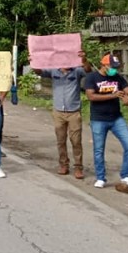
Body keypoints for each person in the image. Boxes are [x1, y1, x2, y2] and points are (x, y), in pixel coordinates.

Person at [34, 50, 93, 179]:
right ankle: (63, 164)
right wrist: (33, 60)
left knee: (76, 140)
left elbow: (88, 70)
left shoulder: (77, 71)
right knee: (60, 140)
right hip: (58, 112)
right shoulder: (53, 71)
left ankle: (78, 167)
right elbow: (38, 71)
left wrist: (84, 59)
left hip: (73, 112)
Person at [84, 53, 128, 190]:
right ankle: (100, 178)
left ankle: (125, 175)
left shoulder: (117, 77)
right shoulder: (92, 78)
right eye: (112, 67)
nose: (114, 69)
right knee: (99, 150)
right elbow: (91, 96)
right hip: (98, 119)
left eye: (116, 67)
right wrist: (113, 95)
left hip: (116, 118)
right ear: (104, 65)